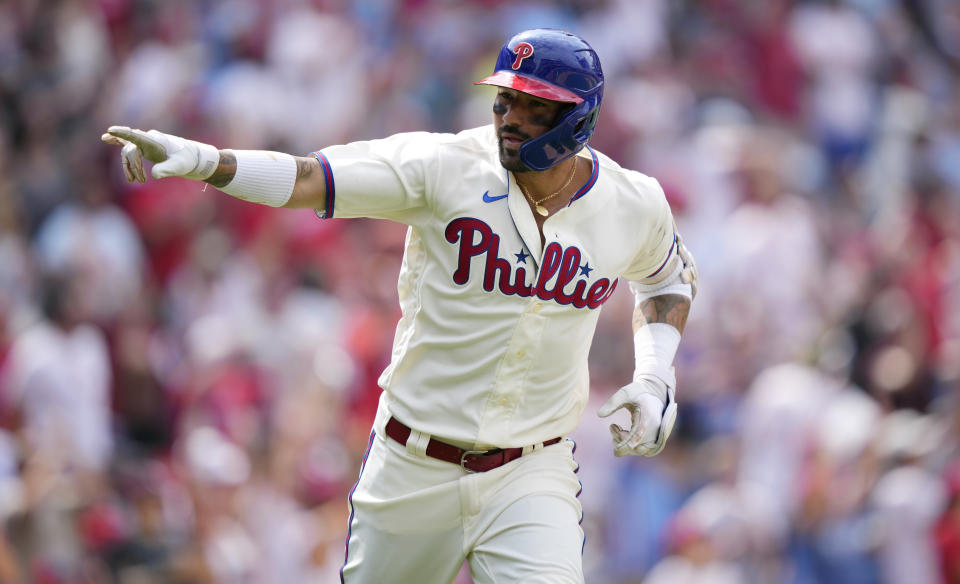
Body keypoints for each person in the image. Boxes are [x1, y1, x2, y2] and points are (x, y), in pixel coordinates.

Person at [102, 28, 697, 584]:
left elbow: (667, 280)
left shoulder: (633, 202)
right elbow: (311, 178)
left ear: (579, 118)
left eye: (534, 105)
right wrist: (208, 162)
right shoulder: (444, 166)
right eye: (503, 101)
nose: (510, 119)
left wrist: (653, 377)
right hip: (414, 463)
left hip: (531, 470)